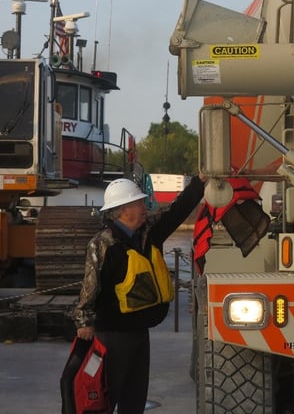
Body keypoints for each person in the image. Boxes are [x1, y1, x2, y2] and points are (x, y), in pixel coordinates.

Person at [71, 175, 205, 414]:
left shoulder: (148, 234)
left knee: (135, 398)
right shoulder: (103, 243)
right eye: (139, 203)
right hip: (112, 335)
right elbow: (91, 284)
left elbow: (177, 212)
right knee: (105, 396)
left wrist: (199, 183)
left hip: (140, 332)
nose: (145, 207)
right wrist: (84, 320)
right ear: (122, 210)